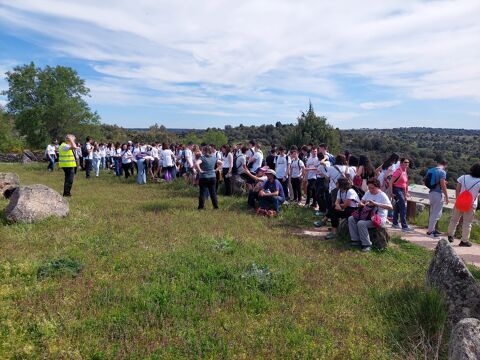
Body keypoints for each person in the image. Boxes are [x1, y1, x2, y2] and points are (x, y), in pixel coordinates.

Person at [348, 178, 393, 252]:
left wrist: (376, 203)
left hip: (378, 219)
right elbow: (361, 202)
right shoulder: (368, 192)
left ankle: (367, 244)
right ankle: (355, 240)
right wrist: (360, 204)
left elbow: (391, 207)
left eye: (373, 188)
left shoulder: (382, 195)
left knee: (361, 223)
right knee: (351, 219)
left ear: (378, 187)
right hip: (367, 216)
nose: (371, 189)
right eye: (369, 187)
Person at [447, 163, 480, 247]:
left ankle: (450, 235)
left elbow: (457, 189)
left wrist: (458, 199)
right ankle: (464, 241)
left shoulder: (463, 177)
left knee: (454, 220)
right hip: (471, 204)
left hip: (460, 202)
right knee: (467, 223)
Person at [389, 158, 413, 232]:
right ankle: (404, 226)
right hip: (397, 190)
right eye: (405, 162)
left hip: (402, 191)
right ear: (401, 163)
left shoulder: (404, 171)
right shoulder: (398, 171)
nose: (407, 164)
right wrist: (391, 192)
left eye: (408, 162)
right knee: (403, 207)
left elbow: (405, 184)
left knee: (398, 207)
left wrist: (405, 193)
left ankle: (395, 223)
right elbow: (391, 182)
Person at [195, 145, 222, 210]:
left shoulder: (202, 158)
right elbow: (221, 163)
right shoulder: (214, 158)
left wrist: (200, 170)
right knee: (213, 193)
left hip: (204, 177)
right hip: (212, 177)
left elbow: (196, 163)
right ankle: (216, 207)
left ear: (204, 151)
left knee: (202, 193)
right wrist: (216, 170)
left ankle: (201, 207)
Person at [426, 160, 449, 237]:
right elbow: (442, 184)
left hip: (431, 193)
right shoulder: (442, 172)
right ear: (445, 165)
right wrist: (446, 196)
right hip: (438, 193)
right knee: (436, 214)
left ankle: (431, 229)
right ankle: (430, 231)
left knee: (433, 212)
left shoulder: (430, 170)